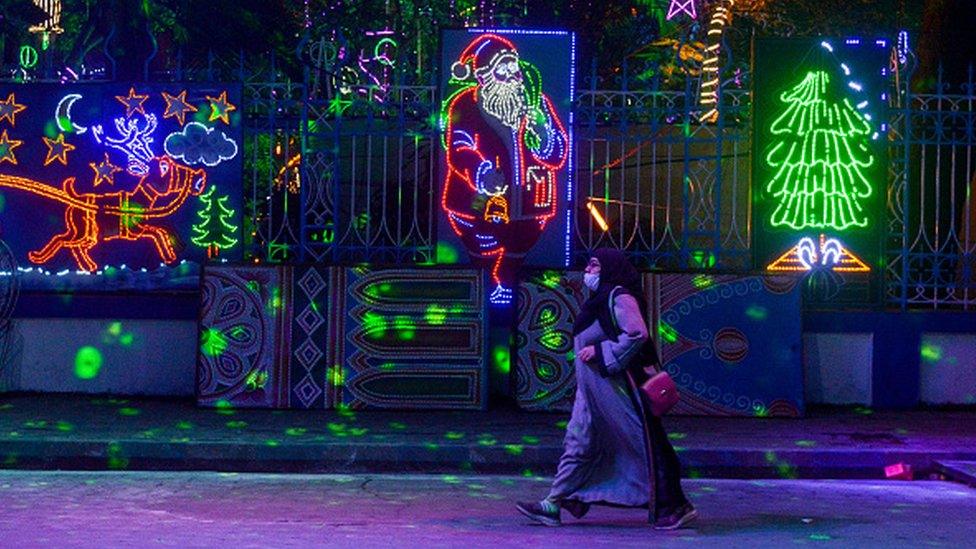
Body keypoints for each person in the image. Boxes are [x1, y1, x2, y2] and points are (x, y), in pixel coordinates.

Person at [516, 248, 697, 529]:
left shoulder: (619, 295)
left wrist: (601, 352)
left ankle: (673, 506)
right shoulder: (599, 299)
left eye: (595, 265)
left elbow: (636, 333)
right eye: (588, 264)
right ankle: (554, 503)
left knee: (639, 444)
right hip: (592, 392)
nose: (589, 270)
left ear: (610, 268)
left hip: (617, 391)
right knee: (577, 441)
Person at [442, 33, 569, 304]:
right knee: (483, 255)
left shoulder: (538, 103)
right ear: (484, 75)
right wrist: (481, 173)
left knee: (515, 257)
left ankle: (509, 299)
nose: (513, 75)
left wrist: (543, 134)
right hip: (475, 205)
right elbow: (458, 149)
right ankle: (483, 302)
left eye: (514, 67)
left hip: (529, 207)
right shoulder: (465, 104)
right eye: (503, 68)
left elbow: (558, 154)